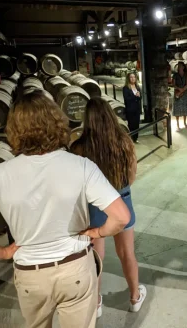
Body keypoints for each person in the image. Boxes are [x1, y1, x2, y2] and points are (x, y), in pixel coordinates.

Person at [0, 91, 131, 328]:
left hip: (30, 275)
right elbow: (121, 217)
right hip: (74, 268)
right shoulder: (81, 166)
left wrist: (2, 253)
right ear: (56, 121)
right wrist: (96, 233)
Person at [71, 97, 147, 317]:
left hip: (93, 205)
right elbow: (131, 176)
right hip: (121, 200)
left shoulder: (78, 147)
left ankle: (95, 304)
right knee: (127, 253)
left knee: (96, 257)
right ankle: (134, 297)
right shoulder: (124, 142)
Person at [123, 72, 142, 142]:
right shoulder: (126, 88)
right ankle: (131, 139)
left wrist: (139, 96)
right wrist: (135, 96)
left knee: (137, 124)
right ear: (128, 78)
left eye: (134, 77)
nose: (133, 78)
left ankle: (135, 138)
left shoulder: (137, 87)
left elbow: (140, 97)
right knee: (131, 125)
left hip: (137, 109)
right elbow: (127, 99)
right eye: (131, 77)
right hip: (130, 109)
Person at [172, 61, 187, 130]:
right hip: (177, 92)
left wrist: (183, 89)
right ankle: (177, 124)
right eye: (178, 66)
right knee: (177, 108)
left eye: (180, 66)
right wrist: (179, 89)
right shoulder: (175, 75)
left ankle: (185, 123)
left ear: (183, 67)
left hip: (184, 93)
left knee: (184, 108)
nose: (179, 67)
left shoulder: (186, 75)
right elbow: (173, 84)